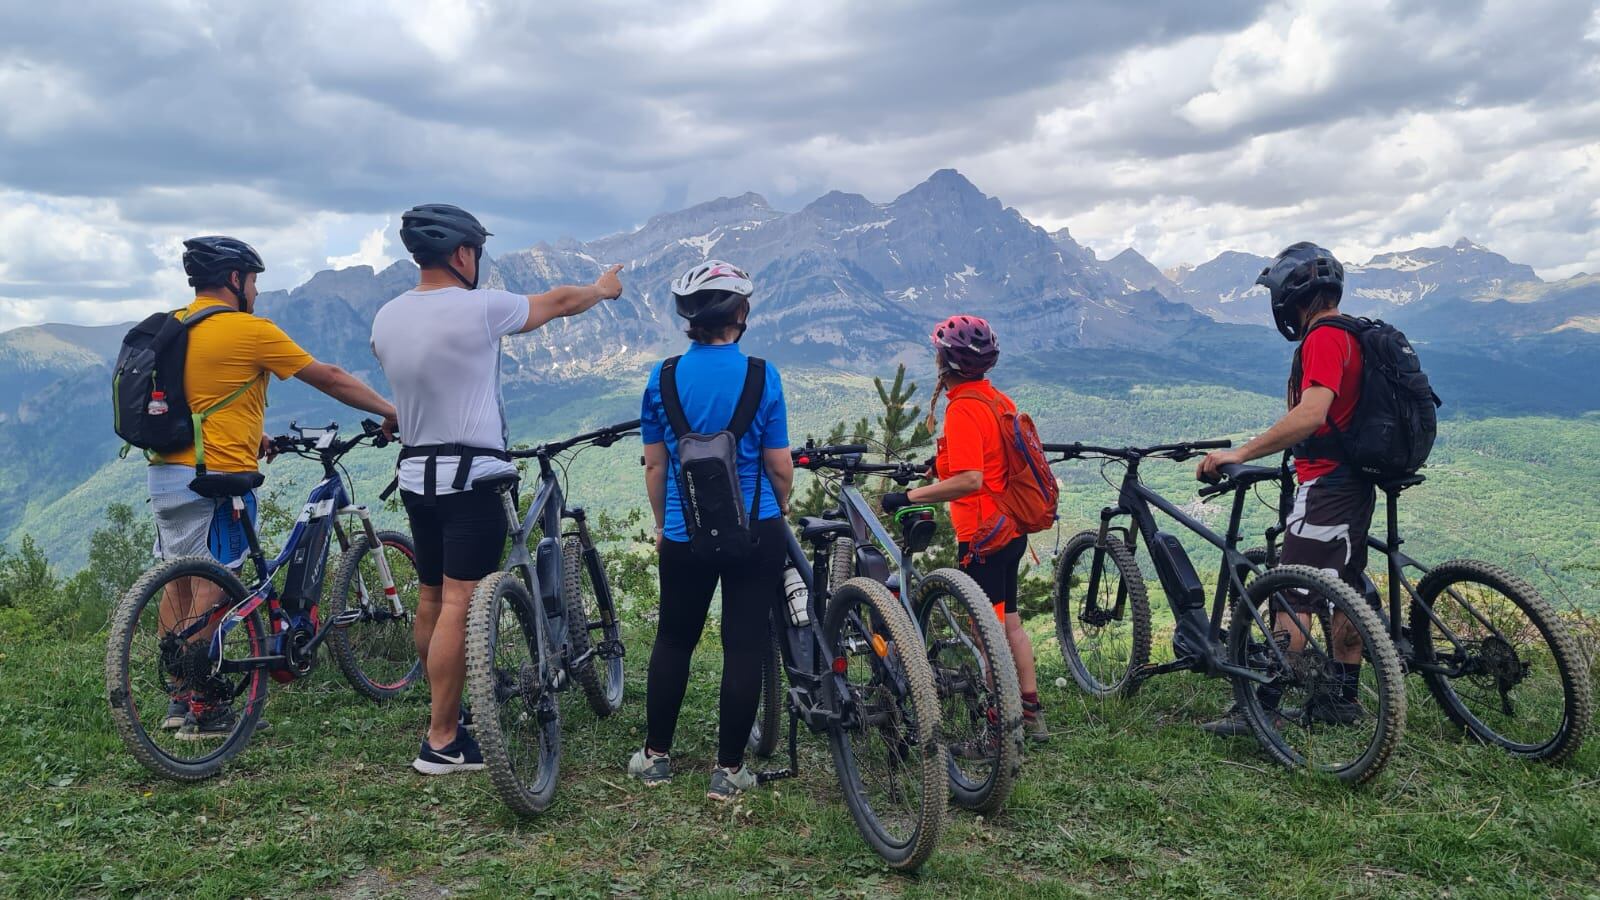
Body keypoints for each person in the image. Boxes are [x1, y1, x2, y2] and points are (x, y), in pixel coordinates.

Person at [370, 204, 623, 776]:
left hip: (415, 477)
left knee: (432, 596)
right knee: (462, 601)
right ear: (463, 254)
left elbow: (413, 377)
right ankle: (441, 740)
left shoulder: (386, 318)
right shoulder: (480, 308)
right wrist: (603, 289)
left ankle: (446, 715)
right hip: (471, 479)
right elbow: (557, 303)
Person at [152, 235, 399, 739]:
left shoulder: (174, 326)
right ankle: (204, 708)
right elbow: (328, 376)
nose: (258, 291)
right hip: (216, 479)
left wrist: (251, 432)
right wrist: (392, 411)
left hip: (165, 472)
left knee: (176, 583)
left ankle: (178, 698)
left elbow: (197, 395)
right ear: (234, 281)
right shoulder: (247, 330)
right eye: (254, 281)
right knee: (213, 585)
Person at [630, 260, 793, 801]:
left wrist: (661, 524)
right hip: (755, 530)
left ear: (689, 317)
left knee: (674, 638)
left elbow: (655, 467)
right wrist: (781, 506)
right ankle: (727, 772)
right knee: (743, 644)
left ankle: (655, 757)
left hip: (684, 531)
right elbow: (778, 466)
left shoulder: (663, 376)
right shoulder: (762, 375)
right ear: (741, 313)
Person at [1196, 242, 1371, 734]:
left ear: (1292, 297)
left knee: (1293, 595)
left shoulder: (1324, 338)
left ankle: (1264, 709)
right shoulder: (1356, 333)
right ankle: (1340, 701)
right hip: (1354, 483)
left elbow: (1312, 414)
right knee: (1344, 592)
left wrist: (1241, 453)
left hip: (1326, 482)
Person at [880, 315, 1048, 741]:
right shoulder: (996, 399)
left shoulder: (963, 409)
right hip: (1011, 529)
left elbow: (973, 479)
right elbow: (989, 460)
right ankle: (1030, 712)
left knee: (987, 635)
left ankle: (1001, 727)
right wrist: (938, 466)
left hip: (983, 536)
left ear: (945, 362)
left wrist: (910, 497)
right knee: (1010, 625)